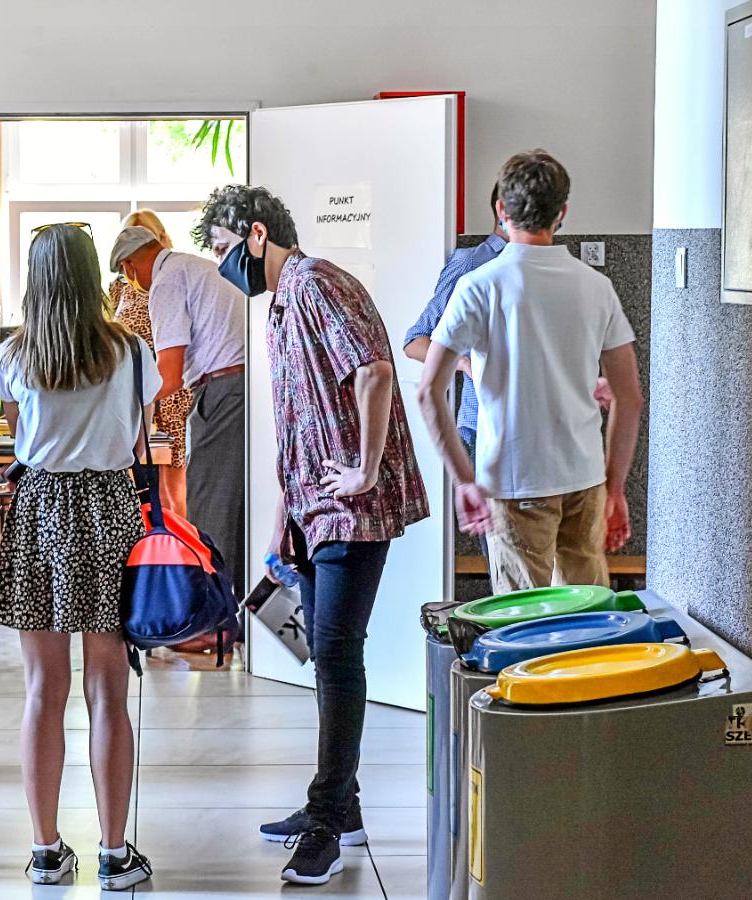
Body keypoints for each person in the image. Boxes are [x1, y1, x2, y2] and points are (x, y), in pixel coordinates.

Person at [196, 185, 429, 886]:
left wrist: (366, 466)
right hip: (315, 508)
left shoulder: (318, 282)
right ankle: (341, 808)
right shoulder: (281, 305)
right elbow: (299, 417)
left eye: (225, 249)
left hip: (352, 507)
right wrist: (283, 517)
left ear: (257, 235)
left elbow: (376, 371)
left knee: (335, 652)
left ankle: (326, 821)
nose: (224, 265)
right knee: (327, 653)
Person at [0, 224, 156, 892]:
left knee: (42, 690)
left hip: (39, 510)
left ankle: (46, 850)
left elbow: (14, 430)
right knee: (109, 691)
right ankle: (114, 854)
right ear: (92, 277)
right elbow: (139, 434)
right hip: (110, 507)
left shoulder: (14, 355)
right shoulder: (131, 351)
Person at [418, 150, 643, 593]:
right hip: (584, 478)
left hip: (512, 478)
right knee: (587, 615)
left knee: (523, 621)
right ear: (562, 214)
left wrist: (464, 480)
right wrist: (615, 488)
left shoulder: (479, 286)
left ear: (501, 209)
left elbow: (429, 392)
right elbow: (629, 397)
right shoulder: (597, 287)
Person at [108, 223, 247, 602]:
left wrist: (125, 408)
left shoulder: (166, 282)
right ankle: (229, 612)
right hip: (238, 388)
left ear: (129, 265)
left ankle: (209, 612)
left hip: (222, 391)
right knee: (231, 508)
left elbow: (168, 375)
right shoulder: (194, 266)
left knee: (209, 507)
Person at [403, 182, 507, 526]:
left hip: (528, 430)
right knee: (497, 541)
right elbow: (415, 340)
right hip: (480, 426)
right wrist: (465, 363)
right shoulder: (471, 262)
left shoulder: (539, 267)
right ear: (501, 209)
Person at [108, 210, 192, 515]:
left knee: (173, 490)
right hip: (134, 391)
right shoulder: (119, 287)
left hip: (172, 392)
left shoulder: (173, 279)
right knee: (135, 483)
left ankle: (179, 542)